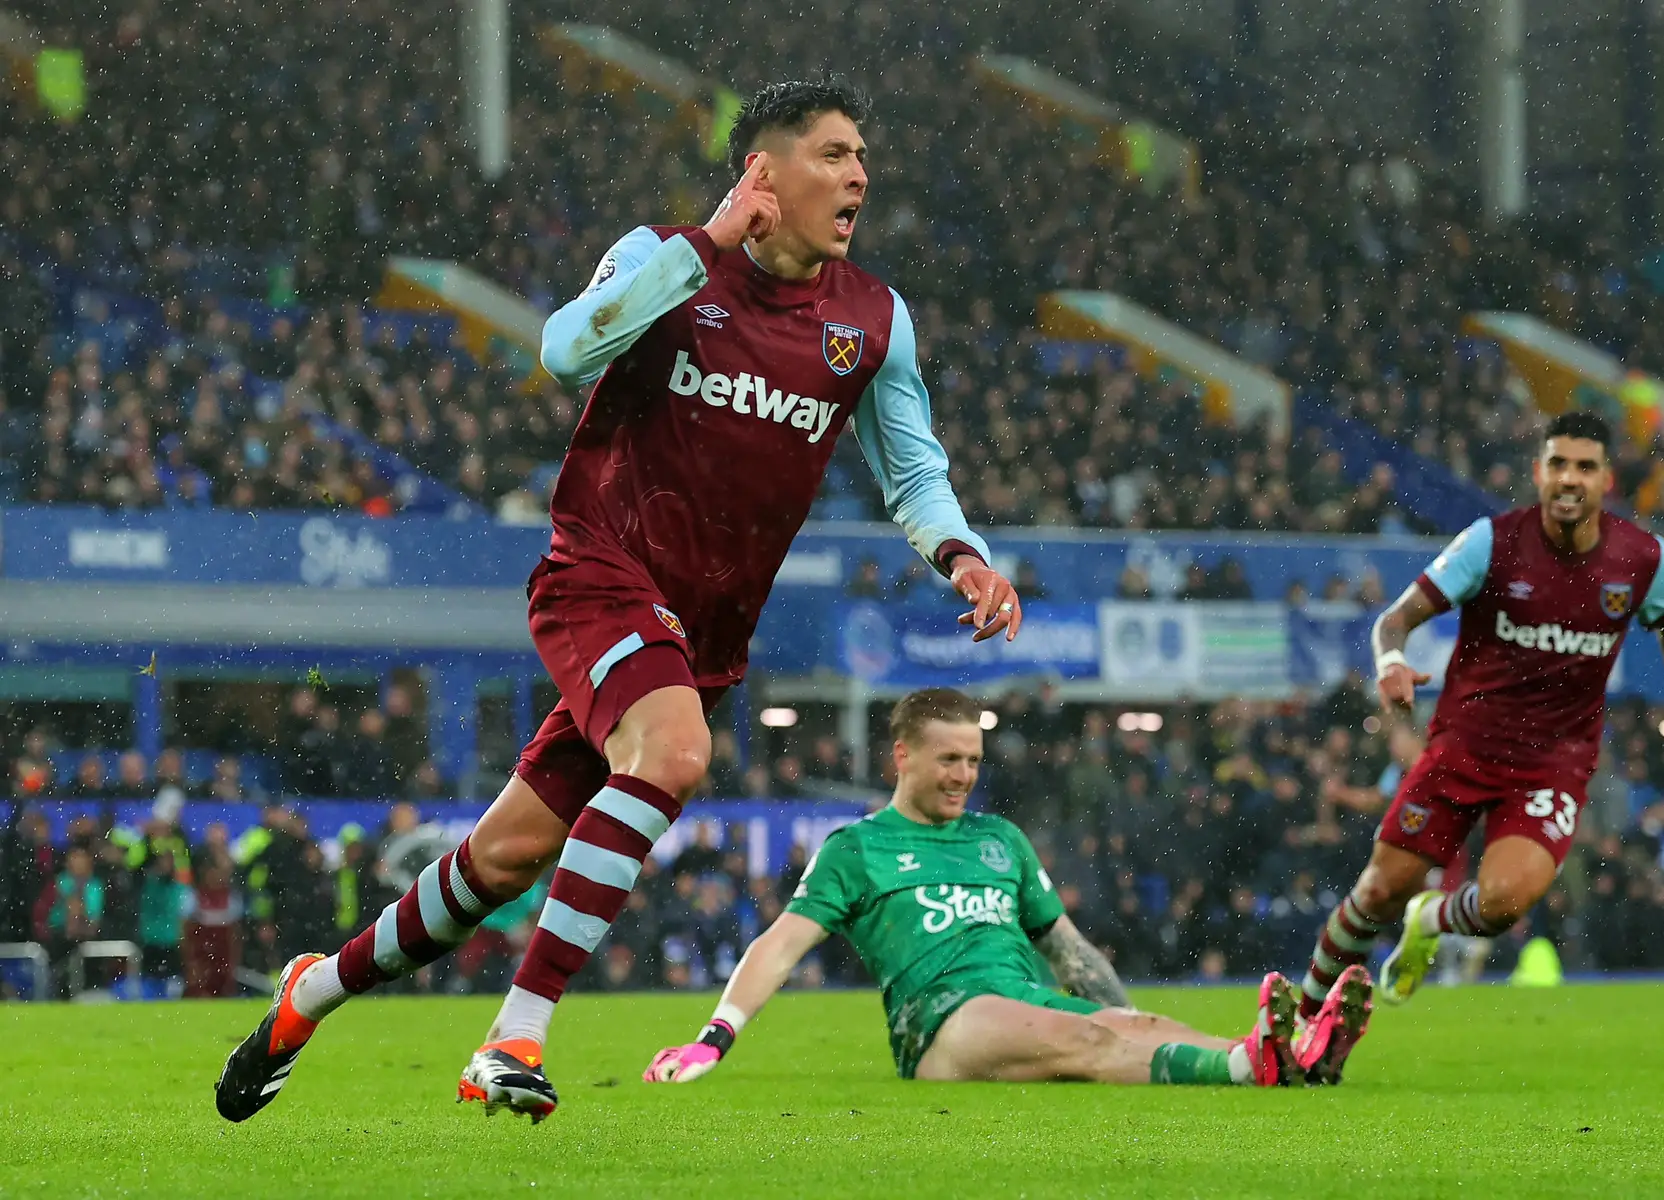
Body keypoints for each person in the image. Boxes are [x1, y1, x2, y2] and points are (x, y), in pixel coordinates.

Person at [216, 77, 1024, 1123]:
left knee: (500, 860)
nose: (858, 173)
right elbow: (563, 352)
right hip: (599, 573)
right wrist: (705, 247)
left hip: (705, 636)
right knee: (677, 757)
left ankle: (307, 995)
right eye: (831, 154)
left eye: (860, 155)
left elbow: (911, 472)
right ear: (762, 172)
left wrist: (963, 556)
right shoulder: (665, 255)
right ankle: (513, 1036)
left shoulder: (872, 320)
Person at [1296, 412, 1664, 1067]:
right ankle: (1298, 1021)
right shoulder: (1491, 543)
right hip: (1462, 748)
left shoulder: (1643, 560)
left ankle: (1432, 922)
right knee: (1378, 891)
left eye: (1584, 467)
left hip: (1552, 766)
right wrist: (1390, 661)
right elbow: (1395, 619)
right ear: (1537, 472)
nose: (1569, 478)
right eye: (1557, 463)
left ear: (1606, 480)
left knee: (1505, 902)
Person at [642, 688, 1362, 1090]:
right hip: (944, 1021)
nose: (964, 774)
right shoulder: (857, 849)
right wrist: (715, 1037)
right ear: (902, 756)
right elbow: (781, 944)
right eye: (949, 759)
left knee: (1123, 1026)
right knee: (1078, 1035)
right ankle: (1252, 1067)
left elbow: (1070, 952)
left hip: (1029, 998)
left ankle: (1290, 1057)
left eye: (974, 759)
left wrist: (1132, 1021)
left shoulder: (1001, 840)